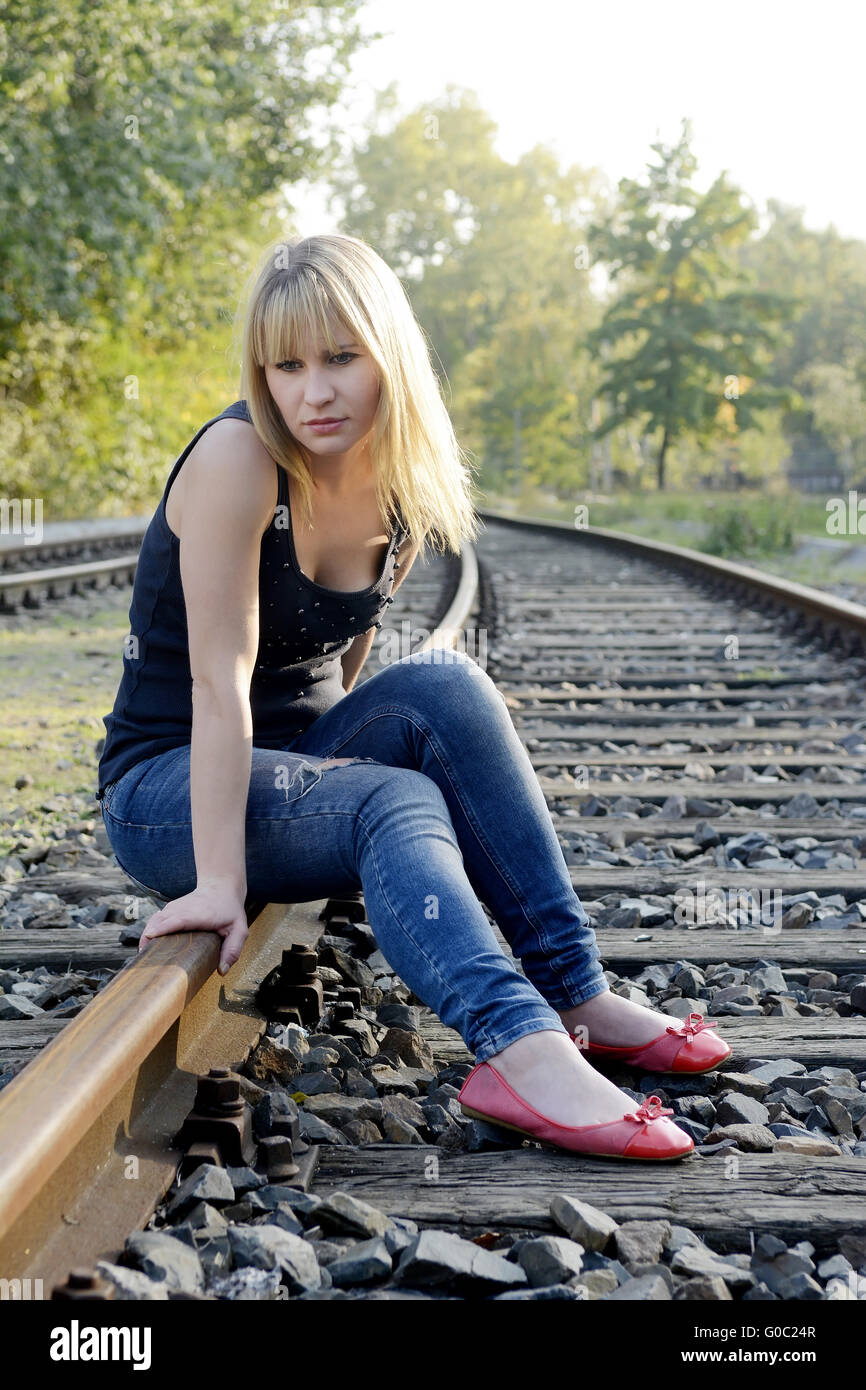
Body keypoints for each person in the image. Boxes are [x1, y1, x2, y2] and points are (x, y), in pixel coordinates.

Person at [97, 233, 729, 1160]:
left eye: (342, 358)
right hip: (169, 784)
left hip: (289, 766)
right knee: (396, 799)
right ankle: (521, 1051)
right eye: (287, 365)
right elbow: (218, 683)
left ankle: (575, 992)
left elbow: (339, 669)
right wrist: (224, 881)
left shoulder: (398, 484)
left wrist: (336, 782)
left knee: (449, 683)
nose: (314, 391)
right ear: (261, 374)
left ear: (388, 353)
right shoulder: (240, 461)